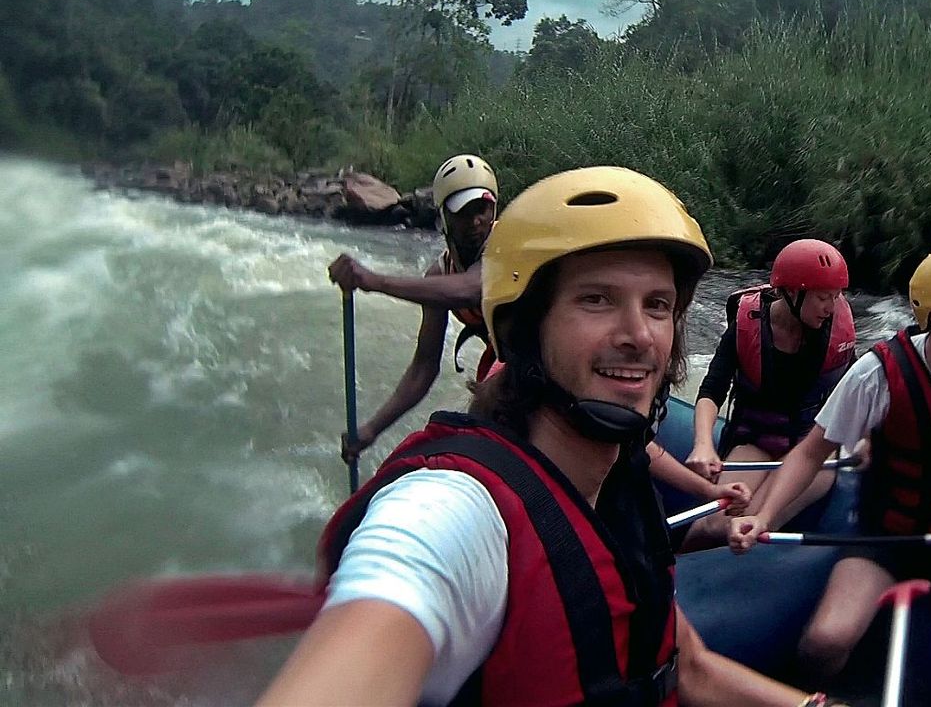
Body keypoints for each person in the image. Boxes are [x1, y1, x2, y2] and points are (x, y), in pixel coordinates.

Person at [261, 165, 844, 707]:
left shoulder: (618, 483)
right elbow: (400, 589)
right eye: (596, 299)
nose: (638, 335)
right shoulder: (453, 511)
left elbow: (686, 667)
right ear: (525, 329)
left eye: (658, 305)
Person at [727, 244, 931, 707]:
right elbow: (810, 453)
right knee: (826, 639)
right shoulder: (877, 373)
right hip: (884, 537)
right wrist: (763, 516)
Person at [330, 154, 498, 462]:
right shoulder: (440, 274)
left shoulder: (506, 245)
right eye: (464, 212)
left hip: (539, 363)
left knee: (488, 405)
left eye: (483, 210)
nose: (477, 221)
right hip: (504, 365)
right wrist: (371, 430)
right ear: (444, 218)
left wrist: (373, 280)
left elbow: (470, 289)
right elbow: (423, 368)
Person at [683, 239, 856, 532]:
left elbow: (858, 394)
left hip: (811, 447)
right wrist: (703, 444)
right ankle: (675, 568)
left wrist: (868, 439)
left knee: (752, 524)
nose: (831, 307)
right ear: (790, 293)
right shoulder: (747, 325)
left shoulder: (836, 330)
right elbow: (712, 390)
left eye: (836, 296)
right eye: (823, 297)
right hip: (757, 440)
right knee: (714, 525)